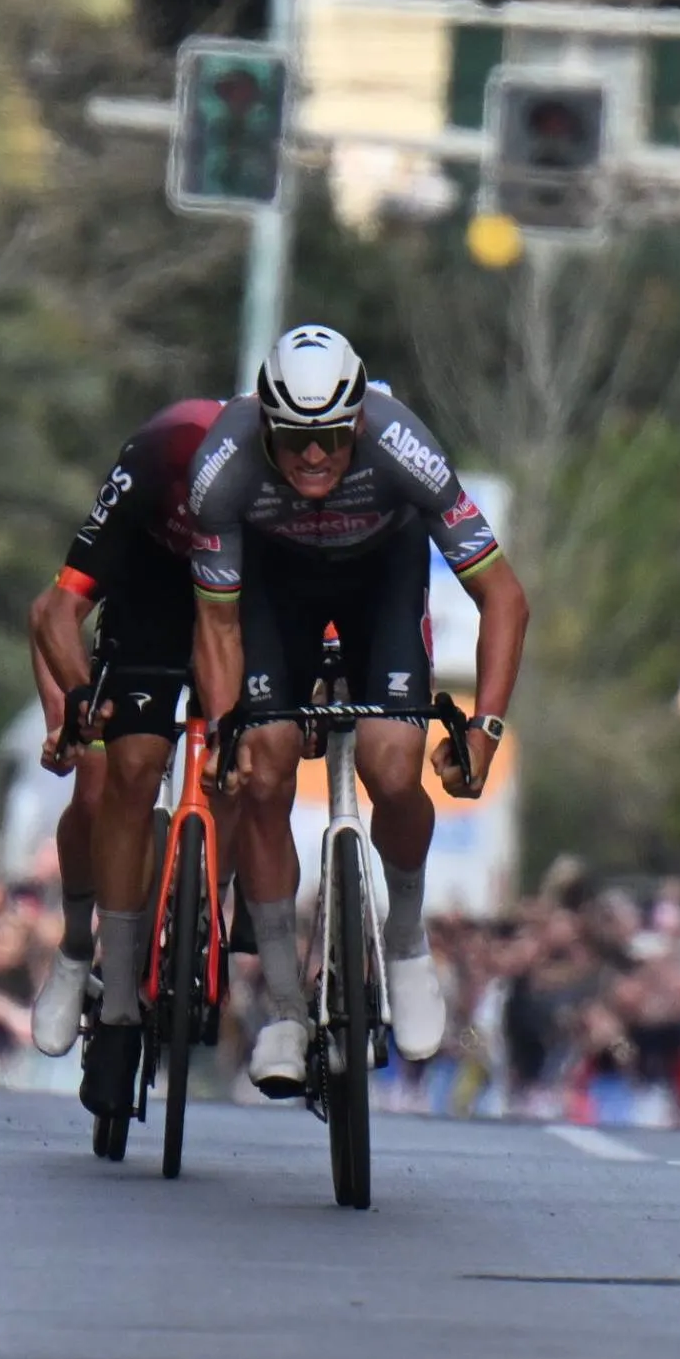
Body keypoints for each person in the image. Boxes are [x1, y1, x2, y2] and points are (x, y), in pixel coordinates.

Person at [188, 323, 527, 1098]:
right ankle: (282, 1007)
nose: (314, 457)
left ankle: (405, 937)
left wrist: (486, 728)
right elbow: (216, 621)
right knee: (266, 770)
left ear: (362, 424)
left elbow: (503, 594)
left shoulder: (404, 446)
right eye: (296, 440)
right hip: (274, 591)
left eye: (333, 439)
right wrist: (223, 728)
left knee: (391, 763)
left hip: (382, 580)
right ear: (265, 425)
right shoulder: (222, 469)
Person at [24, 393, 224, 1117]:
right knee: (107, 778)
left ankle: (205, 907)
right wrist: (75, 708)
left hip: (235, 602)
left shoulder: (285, 488)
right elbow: (51, 615)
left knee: (245, 754)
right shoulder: (152, 463)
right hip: (151, 596)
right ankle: (81, 950)